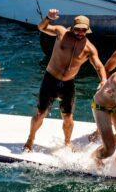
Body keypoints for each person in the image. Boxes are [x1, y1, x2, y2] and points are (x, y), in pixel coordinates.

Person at [24, 12, 106, 151]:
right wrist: (48, 18)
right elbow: (41, 27)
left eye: (83, 30)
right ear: (72, 27)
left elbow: (98, 66)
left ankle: (67, 142)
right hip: (50, 79)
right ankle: (30, 139)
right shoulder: (61, 32)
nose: (80, 32)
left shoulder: (89, 48)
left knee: (68, 117)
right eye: (77, 29)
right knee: (40, 113)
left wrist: (103, 80)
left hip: (68, 84)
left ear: (87, 30)